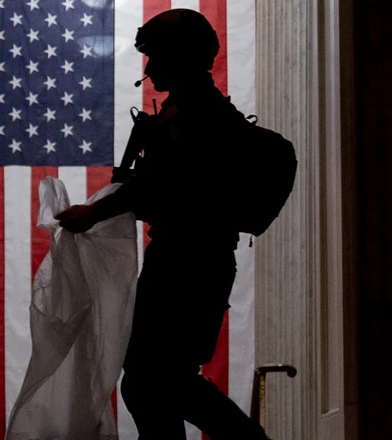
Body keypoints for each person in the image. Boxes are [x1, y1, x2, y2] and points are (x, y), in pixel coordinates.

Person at [53, 9, 271, 440]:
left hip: (190, 264)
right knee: (151, 383)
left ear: (183, 57)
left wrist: (93, 213)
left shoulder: (199, 116)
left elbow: (159, 185)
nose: (149, 69)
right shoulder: (186, 112)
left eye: (157, 57)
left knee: (158, 381)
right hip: (181, 259)